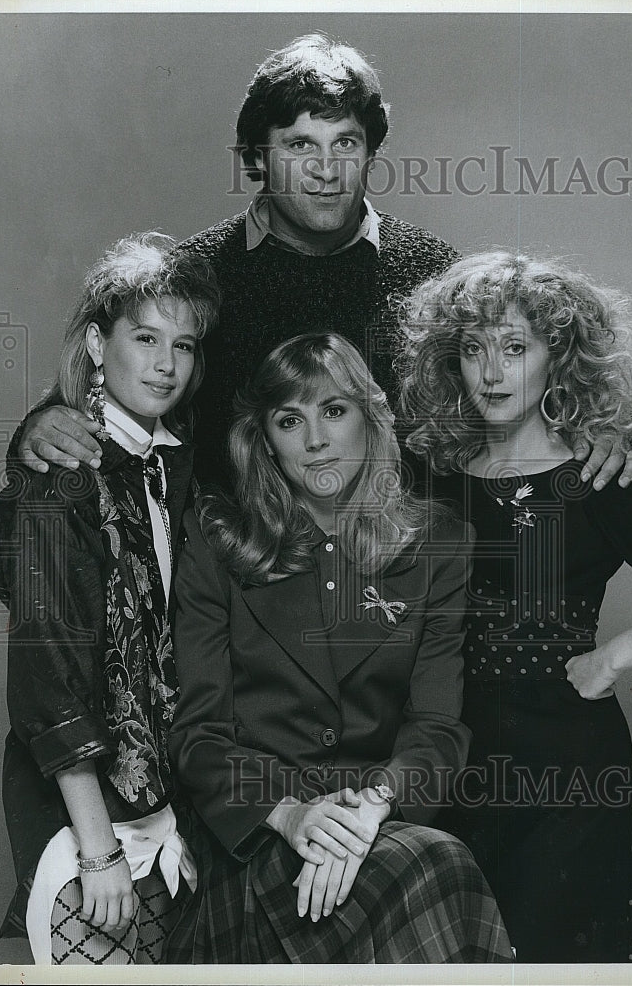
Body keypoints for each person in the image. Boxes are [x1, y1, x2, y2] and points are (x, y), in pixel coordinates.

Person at [12, 33, 632, 492]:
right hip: (235, 592)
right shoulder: (192, 275)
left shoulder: (433, 273)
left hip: (396, 587)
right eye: (298, 145)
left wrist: (593, 432)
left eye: (346, 143)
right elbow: (102, 387)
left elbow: (517, 380)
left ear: (369, 154)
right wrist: (42, 428)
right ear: (257, 158)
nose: (325, 168)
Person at [165, 332, 513, 964]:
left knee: (431, 859)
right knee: (439, 864)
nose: (316, 440)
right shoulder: (217, 540)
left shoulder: (438, 544)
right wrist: (292, 814)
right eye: (289, 420)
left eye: (334, 411)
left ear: (369, 419)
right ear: (265, 439)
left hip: (373, 824)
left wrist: (371, 810)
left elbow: (436, 726)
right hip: (258, 834)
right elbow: (199, 736)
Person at [396, 252, 632, 963]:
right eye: (472, 350)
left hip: (566, 769)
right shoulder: (427, 476)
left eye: (514, 348)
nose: (491, 372)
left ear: (557, 358)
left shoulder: (596, 476)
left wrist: (610, 660)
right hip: (447, 759)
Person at [0, 233, 220, 964]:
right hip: (83, 802)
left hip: (171, 795)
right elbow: (46, 670)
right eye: (144, 338)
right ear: (96, 341)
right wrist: (96, 850)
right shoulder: (61, 478)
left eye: (182, 345)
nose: (164, 364)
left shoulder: (173, 470)